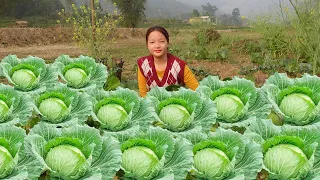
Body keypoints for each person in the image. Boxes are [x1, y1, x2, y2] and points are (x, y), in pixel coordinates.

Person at [137, 26, 199, 97]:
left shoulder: (179, 66)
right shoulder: (143, 65)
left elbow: (197, 90)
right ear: (147, 45)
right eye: (152, 42)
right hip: (152, 106)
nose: (157, 46)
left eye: (161, 41)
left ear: (167, 43)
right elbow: (143, 95)